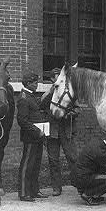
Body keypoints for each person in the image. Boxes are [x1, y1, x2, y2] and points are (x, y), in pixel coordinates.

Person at [17, 71, 52, 202]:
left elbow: (39, 107)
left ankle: (34, 190)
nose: (36, 85)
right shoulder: (23, 98)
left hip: (37, 136)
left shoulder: (30, 96)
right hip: (30, 137)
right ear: (28, 83)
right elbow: (22, 121)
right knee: (27, 164)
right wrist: (38, 132)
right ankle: (24, 192)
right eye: (34, 83)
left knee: (36, 164)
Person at [45, 68, 78, 197]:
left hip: (66, 131)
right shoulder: (50, 92)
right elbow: (41, 105)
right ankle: (56, 187)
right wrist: (51, 91)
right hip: (53, 132)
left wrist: (69, 113)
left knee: (73, 158)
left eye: (58, 77)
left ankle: (77, 182)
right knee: (53, 160)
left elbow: (78, 109)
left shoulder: (68, 92)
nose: (56, 79)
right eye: (54, 77)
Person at [71, 136, 106, 205]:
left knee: (104, 175)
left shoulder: (97, 143)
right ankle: (88, 195)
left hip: (79, 175)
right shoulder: (101, 153)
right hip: (83, 177)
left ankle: (85, 191)